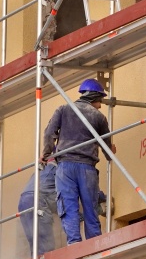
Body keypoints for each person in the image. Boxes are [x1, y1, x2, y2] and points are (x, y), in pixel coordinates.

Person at [42, 79, 116, 244]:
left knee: (69, 207)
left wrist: (46, 154)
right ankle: (93, 245)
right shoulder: (98, 117)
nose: (100, 105)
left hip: (65, 167)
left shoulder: (63, 109)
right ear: (94, 97)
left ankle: (74, 244)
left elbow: (49, 134)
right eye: (100, 101)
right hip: (87, 169)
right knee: (90, 207)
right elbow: (107, 146)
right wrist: (110, 153)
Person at [17, 159, 59, 256]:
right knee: (45, 244)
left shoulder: (40, 170)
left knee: (34, 242)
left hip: (23, 202)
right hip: (37, 200)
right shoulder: (57, 170)